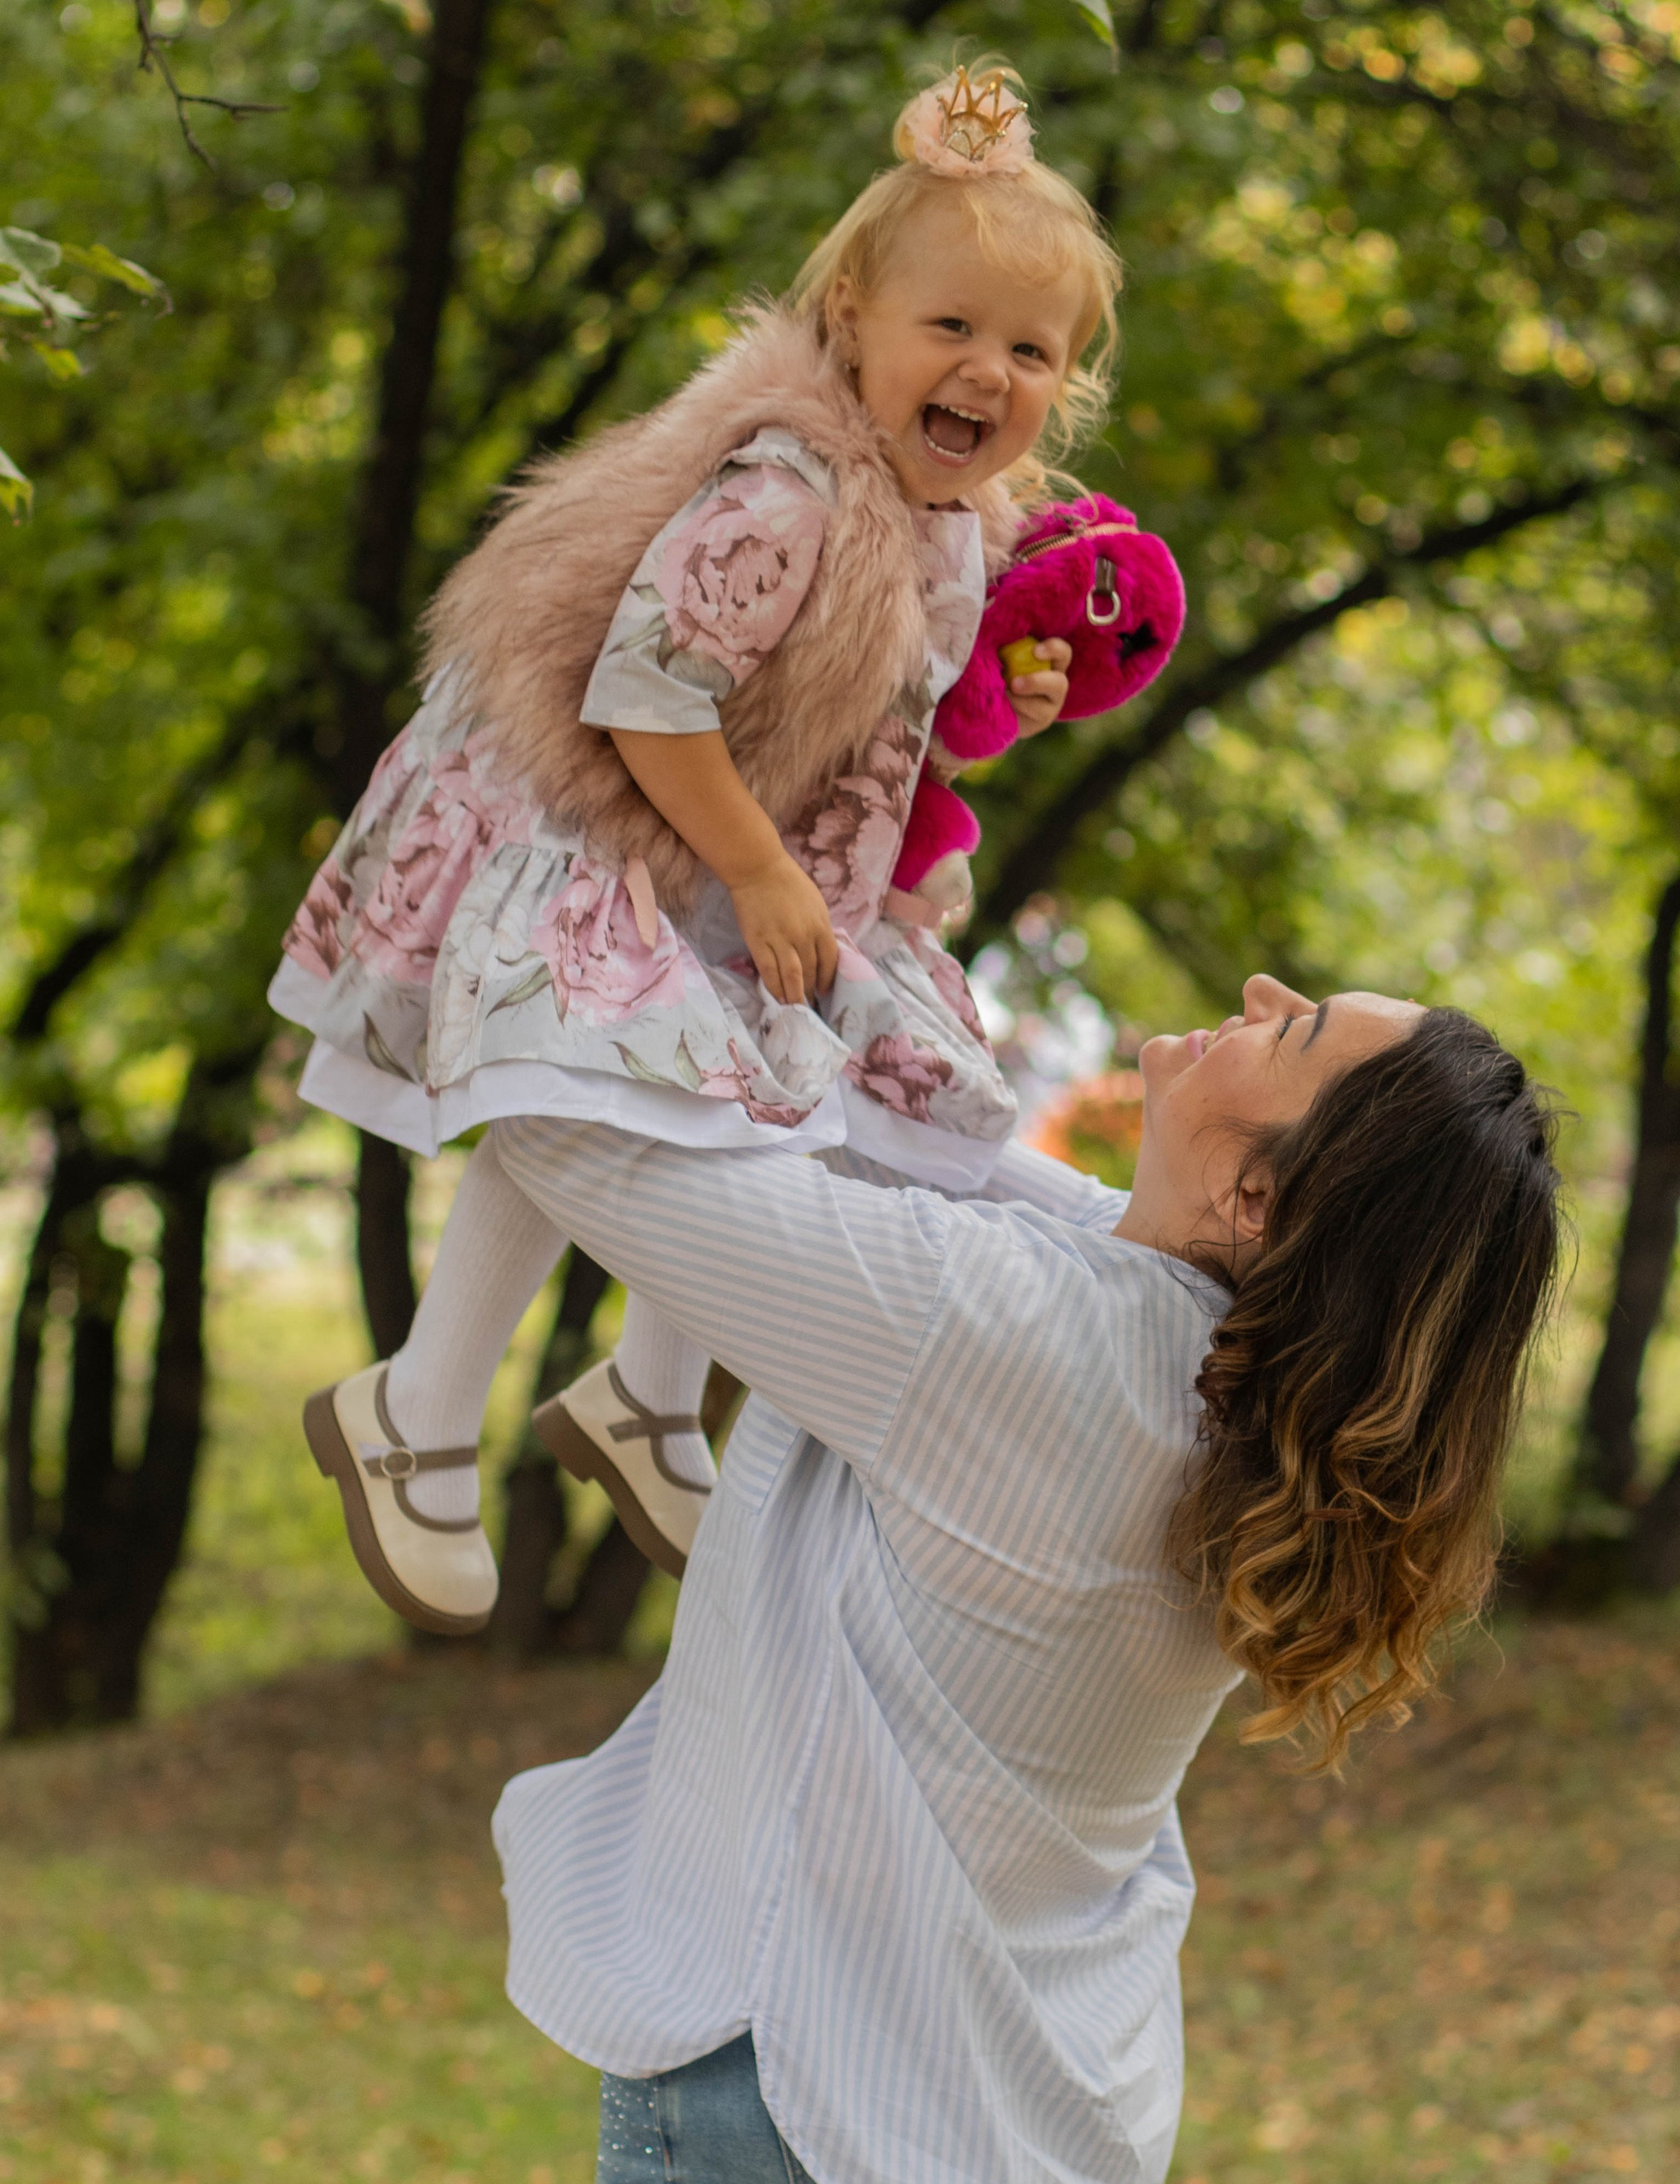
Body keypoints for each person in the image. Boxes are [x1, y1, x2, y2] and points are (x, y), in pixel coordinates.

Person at [267, 66, 1129, 1630]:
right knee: (596, 1075)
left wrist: (1001, 687)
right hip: (596, 803)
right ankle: (420, 1408)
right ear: (853, 316)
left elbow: (890, 715)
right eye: (951, 328)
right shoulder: (789, 491)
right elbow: (645, 698)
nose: (987, 371)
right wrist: (759, 875)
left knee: (770, 1079)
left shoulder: (948, 523)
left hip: (738, 832)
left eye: (1030, 350)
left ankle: (644, 1401)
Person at [481, 975, 1564, 2182]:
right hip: (1023, 2108)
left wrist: (566, 889)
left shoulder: (1008, 1330)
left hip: (800, 2100)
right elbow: (955, 1164)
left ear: (1253, 1197)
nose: (1264, 989)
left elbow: (556, 1130)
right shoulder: (1241, 1386)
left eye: (1297, 1030)